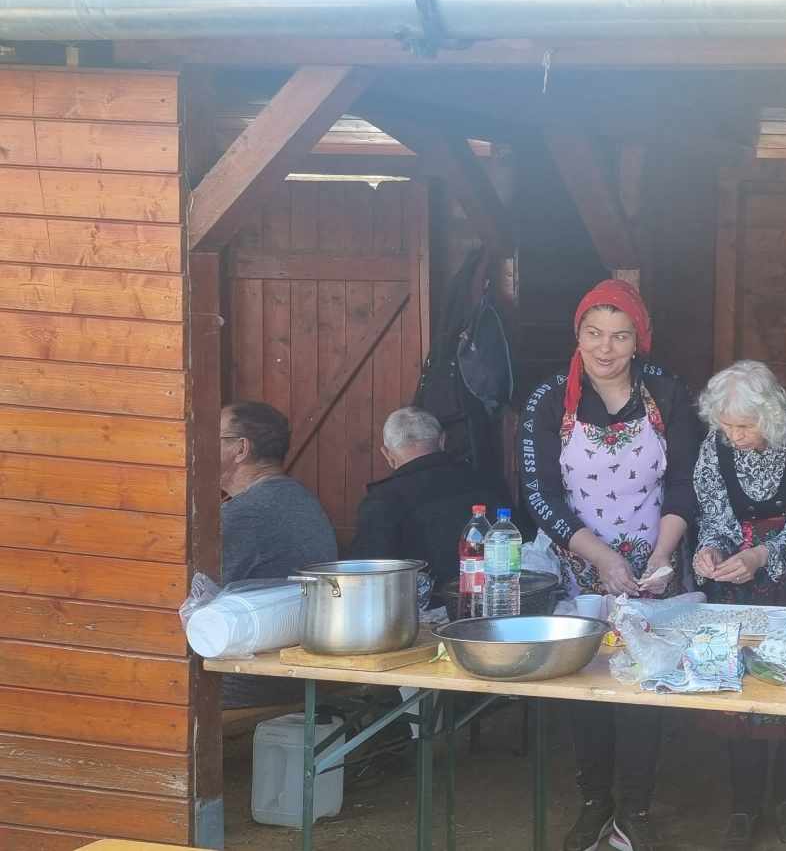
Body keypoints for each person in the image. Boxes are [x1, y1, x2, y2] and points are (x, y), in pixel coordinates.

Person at [521, 279, 705, 851]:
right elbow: (539, 491)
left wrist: (662, 554)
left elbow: (686, 482)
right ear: (577, 335)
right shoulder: (549, 399)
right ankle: (594, 802)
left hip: (656, 560)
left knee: (645, 682)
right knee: (587, 683)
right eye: (594, 333)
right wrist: (598, 556)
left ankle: (636, 808)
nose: (605, 347)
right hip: (579, 563)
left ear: (638, 340)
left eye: (620, 336)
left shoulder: (666, 392)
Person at [691, 360, 786, 849]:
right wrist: (710, 551)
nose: (733, 437)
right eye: (726, 426)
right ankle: (744, 804)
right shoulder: (717, 443)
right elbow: (713, 514)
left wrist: (764, 556)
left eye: (744, 427)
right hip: (738, 580)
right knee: (741, 691)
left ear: (770, 416)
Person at [218, 401, 338, 708]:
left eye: (211, 437)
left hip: (249, 679)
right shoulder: (299, 497)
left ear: (240, 449)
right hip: (298, 671)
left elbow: (192, 597)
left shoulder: (244, 514)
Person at [349, 406, 500, 593]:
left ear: (387, 454)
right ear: (442, 441)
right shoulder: (485, 483)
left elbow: (364, 576)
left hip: (415, 607)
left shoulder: (382, 500)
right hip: (485, 599)